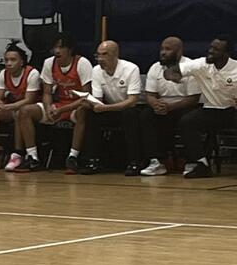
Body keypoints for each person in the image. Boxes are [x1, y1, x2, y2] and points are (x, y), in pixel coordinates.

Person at [167, 35, 237, 179]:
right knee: (187, 122)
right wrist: (173, 75)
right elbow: (172, 71)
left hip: (232, 110)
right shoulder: (201, 64)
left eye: (215, 49)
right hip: (211, 109)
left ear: (226, 53)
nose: (210, 51)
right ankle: (201, 163)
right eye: (210, 47)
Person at [21, 33, 92, 174]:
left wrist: (62, 110)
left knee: (83, 111)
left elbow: (87, 96)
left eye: (61, 47)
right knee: (25, 111)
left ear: (70, 49)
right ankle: (32, 157)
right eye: (55, 47)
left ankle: (73, 157)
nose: (57, 51)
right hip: (59, 105)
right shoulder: (49, 63)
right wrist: (48, 108)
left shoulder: (82, 63)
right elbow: (47, 93)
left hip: (75, 105)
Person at [79, 41, 142, 175]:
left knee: (130, 115)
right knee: (91, 115)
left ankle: (134, 162)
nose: (100, 59)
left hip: (127, 109)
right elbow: (98, 99)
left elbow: (132, 100)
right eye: (98, 55)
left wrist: (106, 108)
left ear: (115, 55)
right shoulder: (96, 71)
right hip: (108, 109)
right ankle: (92, 160)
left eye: (105, 55)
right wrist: (91, 103)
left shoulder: (131, 69)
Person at [0, 40, 41, 171]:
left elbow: (29, 100)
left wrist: (10, 106)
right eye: (6, 60)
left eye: (13, 60)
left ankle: (17, 154)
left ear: (21, 62)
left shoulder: (32, 73)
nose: (9, 63)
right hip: (13, 108)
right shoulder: (3, 73)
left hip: (30, 109)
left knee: (20, 112)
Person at [139, 36, 198, 176]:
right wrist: (155, 104)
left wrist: (170, 107)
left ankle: (191, 160)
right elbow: (150, 95)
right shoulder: (155, 67)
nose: (163, 52)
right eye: (162, 49)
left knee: (188, 120)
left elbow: (193, 99)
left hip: (184, 106)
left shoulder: (190, 67)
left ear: (179, 52)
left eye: (168, 49)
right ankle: (156, 161)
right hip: (162, 106)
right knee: (146, 115)